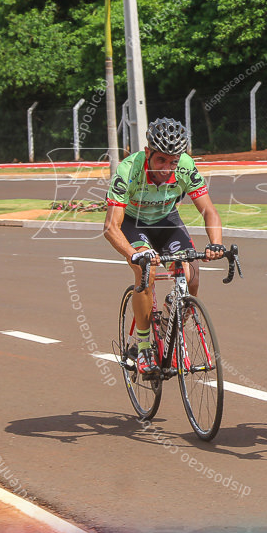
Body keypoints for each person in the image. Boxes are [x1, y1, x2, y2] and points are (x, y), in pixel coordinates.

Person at [104, 118, 225, 376]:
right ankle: (145, 345)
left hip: (167, 221)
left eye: (173, 160)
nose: (168, 168)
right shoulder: (128, 170)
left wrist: (216, 244)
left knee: (191, 275)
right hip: (133, 224)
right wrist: (133, 255)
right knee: (145, 272)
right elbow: (111, 227)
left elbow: (209, 210)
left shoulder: (184, 166)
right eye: (161, 160)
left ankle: (170, 322)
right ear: (147, 153)